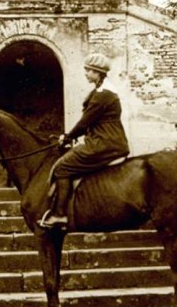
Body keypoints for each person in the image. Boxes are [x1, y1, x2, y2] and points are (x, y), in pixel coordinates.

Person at [41, 53, 130, 228]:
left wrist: (67, 137)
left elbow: (85, 122)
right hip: (104, 140)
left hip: (104, 143)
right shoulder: (101, 92)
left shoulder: (103, 95)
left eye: (89, 70)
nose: (86, 73)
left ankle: (60, 215)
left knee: (62, 167)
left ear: (98, 73)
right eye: (86, 70)